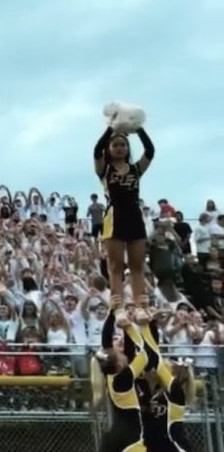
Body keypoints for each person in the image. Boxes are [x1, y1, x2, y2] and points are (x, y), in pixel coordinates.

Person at [93, 121, 155, 306]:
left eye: (123, 145)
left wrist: (139, 129)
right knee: (115, 265)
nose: (119, 148)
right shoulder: (104, 169)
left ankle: (141, 305)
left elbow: (150, 151)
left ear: (128, 148)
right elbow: (97, 150)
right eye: (115, 145)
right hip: (114, 217)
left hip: (134, 216)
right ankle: (117, 305)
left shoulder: (136, 169)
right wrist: (112, 127)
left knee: (137, 264)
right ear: (109, 148)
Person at [91, 308, 150, 452]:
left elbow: (126, 349)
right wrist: (130, 327)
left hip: (119, 432)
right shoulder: (124, 377)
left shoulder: (111, 375)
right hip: (130, 436)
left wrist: (112, 313)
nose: (123, 353)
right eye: (120, 355)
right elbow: (144, 353)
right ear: (119, 365)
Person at [140, 320, 194, 452]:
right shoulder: (147, 390)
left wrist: (145, 327)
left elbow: (156, 360)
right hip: (151, 446)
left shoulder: (174, 392)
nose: (160, 367)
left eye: (167, 364)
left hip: (172, 446)